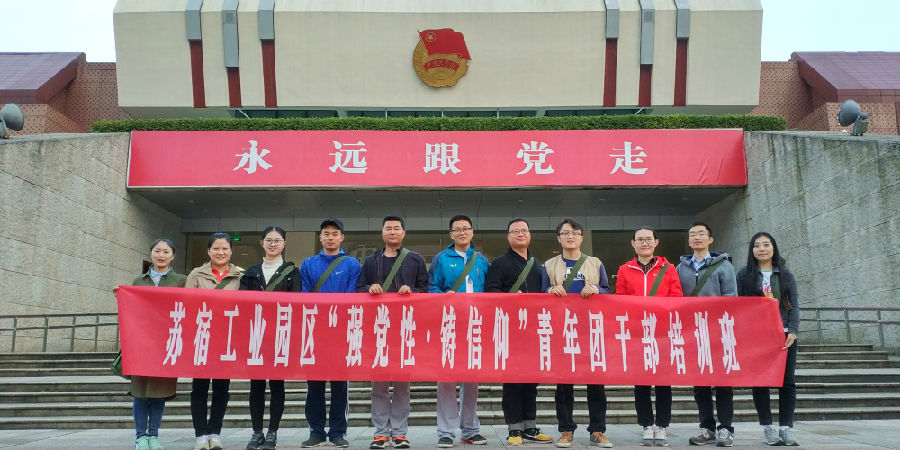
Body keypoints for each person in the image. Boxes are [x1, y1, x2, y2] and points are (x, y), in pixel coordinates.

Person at [540, 218, 613, 449]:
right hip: (562, 330)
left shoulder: (595, 263)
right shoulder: (549, 265)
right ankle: (566, 430)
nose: (570, 236)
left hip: (591, 330)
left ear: (581, 237)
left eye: (575, 232)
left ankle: (598, 430)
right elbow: (541, 293)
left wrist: (596, 289)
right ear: (559, 238)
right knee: (563, 385)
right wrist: (550, 289)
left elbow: (607, 290)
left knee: (596, 383)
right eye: (566, 233)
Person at [358, 216, 429, 449]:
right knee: (378, 385)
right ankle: (380, 432)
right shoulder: (371, 261)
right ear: (382, 232)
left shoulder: (415, 259)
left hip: (405, 330)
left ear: (403, 233)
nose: (392, 231)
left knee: (402, 385)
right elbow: (358, 288)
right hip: (377, 331)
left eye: (396, 228)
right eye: (388, 228)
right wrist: (369, 288)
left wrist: (412, 291)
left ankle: (399, 432)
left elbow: (426, 289)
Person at [485, 218, 553, 446]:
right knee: (513, 381)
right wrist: (511, 299)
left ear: (530, 234)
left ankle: (530, 426)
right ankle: (514, 428)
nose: (520, 234)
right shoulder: (499, 263)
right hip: (511, 330)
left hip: (534, 330)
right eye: (515, 231)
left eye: (524, 230)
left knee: (532, 381)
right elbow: (490, 292)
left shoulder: (536, 264)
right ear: (508, 236)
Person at [615, 227, 683, 447]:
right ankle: (646, 424)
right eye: (640, 239)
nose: (644, 243)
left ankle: (661, 425)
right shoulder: (625, 270)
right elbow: (620, 301)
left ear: (656, 242)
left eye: (648, 239)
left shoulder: (668, 269)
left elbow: (676, 298)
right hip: (637, 334)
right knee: (641, 383)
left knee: (663, 382)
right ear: (633, 243)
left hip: (662, 333)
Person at [428, 214, 490, 448]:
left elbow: (490, 291)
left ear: (472, 232)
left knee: (471, 380)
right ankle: (445, 431)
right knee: (447, 379)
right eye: (457, 229)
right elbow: (431, 288)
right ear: (451, 234)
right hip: (449, 325)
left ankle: (470, 429)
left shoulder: (481, 260)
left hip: (475, 326)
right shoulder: (441, 259)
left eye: (466, 228)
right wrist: (444, 296)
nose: (462, 232)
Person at [300, 218, 361, 448]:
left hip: (341, 331)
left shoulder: (352, 264)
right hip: (314, 330)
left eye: (335, 234)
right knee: (314, 384)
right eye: (326, 233)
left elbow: (352, 295)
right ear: (320, 237)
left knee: (340, 385)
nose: (330, 237)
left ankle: (337, 431)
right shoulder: (308, 264)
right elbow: (305, 295)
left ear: (342, 237)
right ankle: (316, 431)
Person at [676, 222, 738, 447]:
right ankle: (707, 428)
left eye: (701, 234)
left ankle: (726, 429)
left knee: (723, 383)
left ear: (710, 239)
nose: (697, 237)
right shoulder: (680, 268)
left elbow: (730, 298)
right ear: (689, 240)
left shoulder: (724, 265)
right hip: (693, 333)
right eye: (693, 234)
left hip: (718, 332)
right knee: (700, 384)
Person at [239, 226, 302, 450]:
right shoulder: (250, 272)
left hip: (280, 335)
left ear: (284, 243)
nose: (272, 244)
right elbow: (243, 303)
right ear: (262, 243)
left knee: (277, 385)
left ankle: (272, 432)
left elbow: (296, 301)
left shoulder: (292, 272)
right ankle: (257, 432)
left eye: (277, 240)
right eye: (268, 240)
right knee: (256, 386)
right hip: (255, 335)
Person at [736, 232, 800, 447]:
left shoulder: (785, 274)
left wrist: (793, 331)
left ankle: (786, 428)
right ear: (751, 250)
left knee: (787, 381)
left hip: (783, 335)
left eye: (766, 244)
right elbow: (739, 306)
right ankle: (768, 428)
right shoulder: (744, 275)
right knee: (760, 381)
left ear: (774, 248)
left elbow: (794, 305)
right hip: (757, 336)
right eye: (757, 245)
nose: (761, 249)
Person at [185, 232, 245, 450]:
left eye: (225, 248)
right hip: (202, 338)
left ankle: (215, 432)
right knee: (199, 388)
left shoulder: (241, 276)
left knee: (222, 389)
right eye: (216, 248)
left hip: (227, 340)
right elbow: (187, 304)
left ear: (231, 251)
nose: (220, 252)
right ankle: (201, 434)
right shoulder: (196, 274)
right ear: (208, 251)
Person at [128, 238, 187, 450]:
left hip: (166, 343)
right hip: (141, 344)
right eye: (157, 251)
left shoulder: (181, 280)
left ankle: (153, 435)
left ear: (173, 256)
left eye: (166, 252)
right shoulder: (138, 281)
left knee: (159, 392)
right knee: (140, 392)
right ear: (151, 253)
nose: (161, 255)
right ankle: (140, 437)